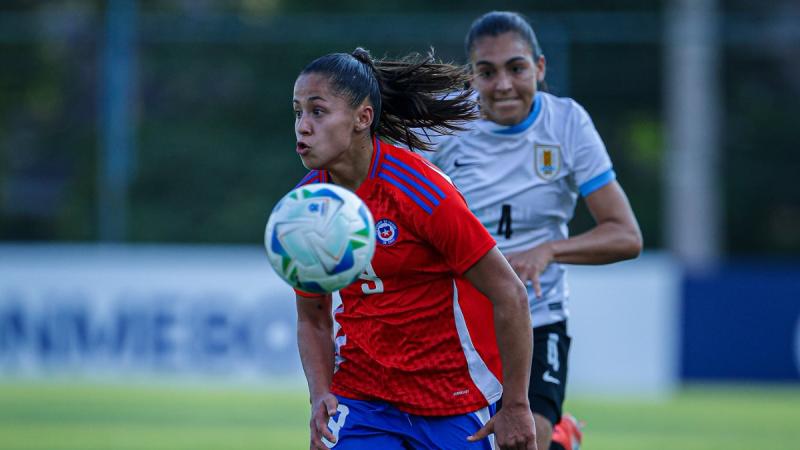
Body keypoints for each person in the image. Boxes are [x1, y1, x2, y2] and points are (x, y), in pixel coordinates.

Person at [289, 47, 538, 449]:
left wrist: (516, 406)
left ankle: (561, 437)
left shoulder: (422, 192)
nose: (303, 126)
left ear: (362, 118)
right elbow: (313, 316)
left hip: (451, 396)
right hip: (363, 396)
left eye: (318, 112)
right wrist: (320, 393)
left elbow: (510, 294)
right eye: (298, 112)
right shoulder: (306, 208)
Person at [426, 11, 643, 450]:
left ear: (540, 68)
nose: (503, 84)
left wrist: (548, 250)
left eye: (517, 68)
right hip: (458, 319)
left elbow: (626, 235)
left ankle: (556, 435)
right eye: (487, 72)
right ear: (471, 77)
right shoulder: (443, 125)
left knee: (526, 441)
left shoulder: (567, 124)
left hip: (537, 315)